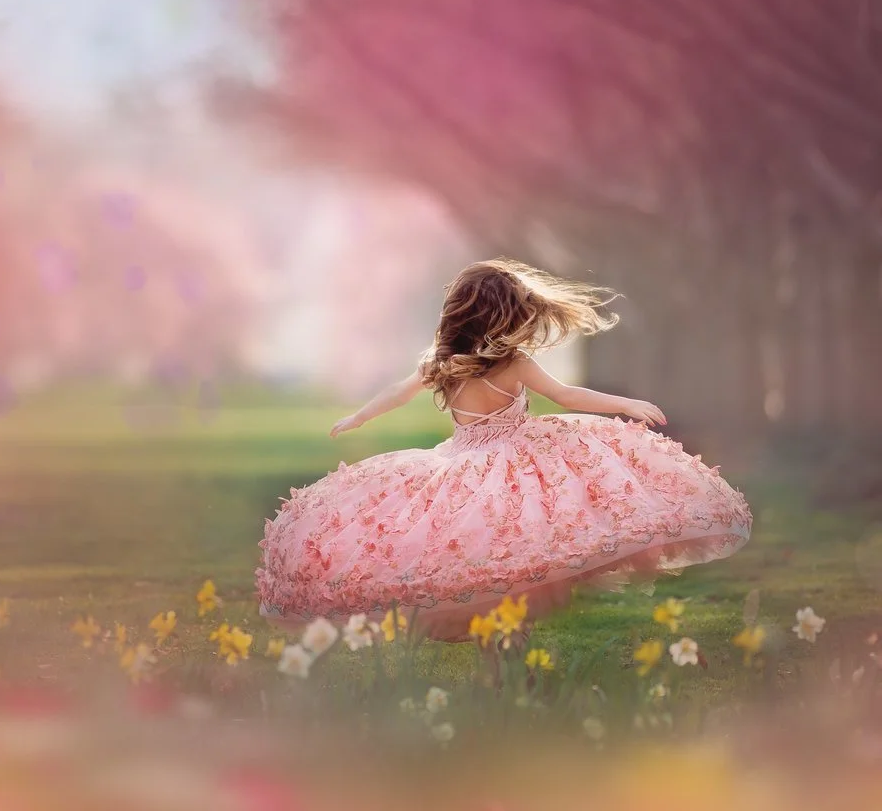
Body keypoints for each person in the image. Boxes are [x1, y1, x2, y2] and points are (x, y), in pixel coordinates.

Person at [256, 258, 751, 640]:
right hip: (514, 456)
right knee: (522, 538)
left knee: (478, 542)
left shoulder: (442, 362)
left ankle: (496, 631)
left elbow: (398, 392)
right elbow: (568, 397)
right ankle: (507, 631)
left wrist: (360, 416)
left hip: (462, 459)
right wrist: (626, 404)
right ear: (508, 314)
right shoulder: (513, 362)